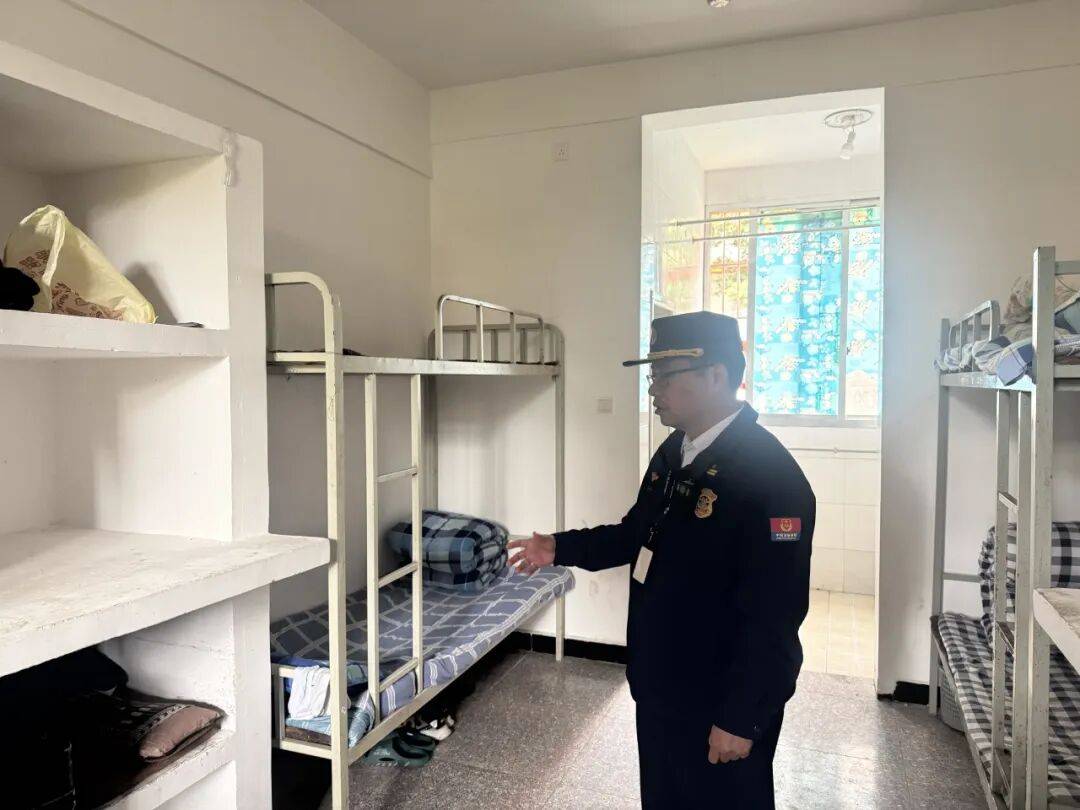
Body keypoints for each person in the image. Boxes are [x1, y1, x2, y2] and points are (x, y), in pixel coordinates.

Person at [508, 311, 815, 809]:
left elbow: (775, 615)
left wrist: (742, 716)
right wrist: (559, 548)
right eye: (653, 376)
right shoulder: (675, 452)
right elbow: (637, 535)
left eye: (666, 376)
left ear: (716, 375)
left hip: (719, 701)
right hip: (662, 684)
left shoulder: (770, 477)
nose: (653, 389)